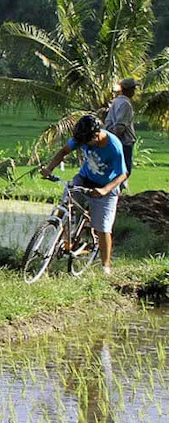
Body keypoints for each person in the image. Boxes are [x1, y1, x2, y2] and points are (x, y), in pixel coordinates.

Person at [39, 114, 127, 275]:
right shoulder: (82, 138)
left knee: (103, 228)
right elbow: (63, 151)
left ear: (97, 135)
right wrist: (49, 169)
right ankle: (60, 239)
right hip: (84, 179)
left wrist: (104, 190)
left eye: (87, 142)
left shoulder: (113, 146)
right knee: (65, 206)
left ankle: (105, 267)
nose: (84, 145)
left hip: (106, 188)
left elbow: (122, 174)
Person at [105, 77, 137, 186]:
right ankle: (117, 191)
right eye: (133, 89)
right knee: (124, 171)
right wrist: (115, 140)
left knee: (117, 169)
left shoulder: (116, 102)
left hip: (116, 140)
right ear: (128, 90)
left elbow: (108, 122)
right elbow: (120, 126)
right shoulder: (125, 104)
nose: (134, 91)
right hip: (124, 142)